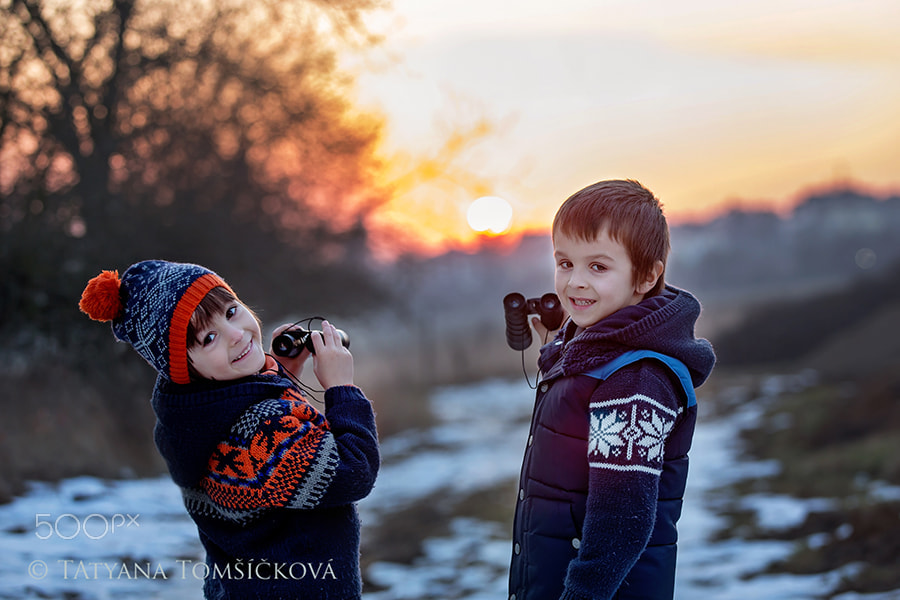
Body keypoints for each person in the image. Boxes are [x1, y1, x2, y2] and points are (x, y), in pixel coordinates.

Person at [79, 260, 379, 600]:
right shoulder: (261, 429)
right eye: (209, 338)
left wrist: (282, 375)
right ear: (183, 367)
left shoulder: (194, 419)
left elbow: (274, 463)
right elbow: (354, 470)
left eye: (232, 311)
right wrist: (342, 389)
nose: (236, 335)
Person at [508, 180, 716, 600]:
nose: (574, 283)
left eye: (598, 267)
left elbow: (622, 518)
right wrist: (558, 353)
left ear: (646, 275)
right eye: (564, 263)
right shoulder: (596, 351)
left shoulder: (635, 383)